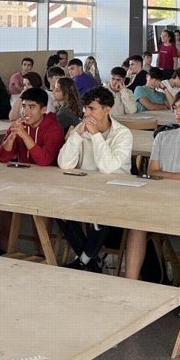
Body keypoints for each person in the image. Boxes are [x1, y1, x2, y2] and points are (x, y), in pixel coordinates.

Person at [123, 89, 180, 281]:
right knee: (136, 223)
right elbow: (152, 172)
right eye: (175, 108)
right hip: (158, 200)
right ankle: (130, 281)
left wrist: (165, 176)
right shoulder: (163, 137)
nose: (178, 113)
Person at [57, 87, 133, 272]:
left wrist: (97, 136)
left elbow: (108, 167)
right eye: (86, 108)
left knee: (105, 212)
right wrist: (77, 136)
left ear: (107, 110)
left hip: (117, 191)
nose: (87, 113)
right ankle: (91, 260)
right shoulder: (80, 130)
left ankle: (83, 261)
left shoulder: (123, 134)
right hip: (85, 189)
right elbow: (64, 163)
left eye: (92, 109)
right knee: (57, 208)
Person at [0, 87, 66, 166]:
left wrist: (24, 135)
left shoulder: (55, 129)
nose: (25, 112)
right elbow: (2, 158)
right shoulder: (19, 126)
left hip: (48, 176)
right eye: (24, 106)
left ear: (43, 110)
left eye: (31, 107)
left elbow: (45, 161)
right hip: (24, 174)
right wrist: (11, 136)